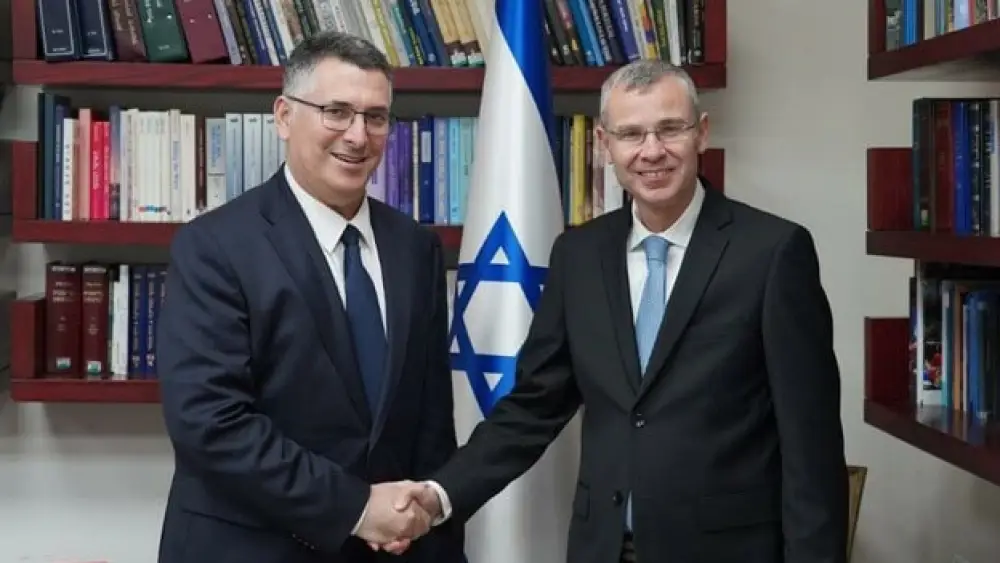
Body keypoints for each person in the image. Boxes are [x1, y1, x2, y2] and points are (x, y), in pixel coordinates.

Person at [380, 59, 850, 563]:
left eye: (670, 129)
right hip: (601, 547)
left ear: (702, 134)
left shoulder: (774, 252)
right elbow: (534, 406)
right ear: (604, 145)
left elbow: (812, 445)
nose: (652, 152)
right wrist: (439, 495)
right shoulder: (578, 256)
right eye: (631, 134)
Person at [155, 31, 464, 563]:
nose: (357, 136)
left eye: (375, 117)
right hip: (250, 547)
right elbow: (210, 422)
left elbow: (431, 421)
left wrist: (429, 529)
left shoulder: (415, 248)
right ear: (283, 116)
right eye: (336, 111)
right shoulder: (214, 247)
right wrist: (357, 507)